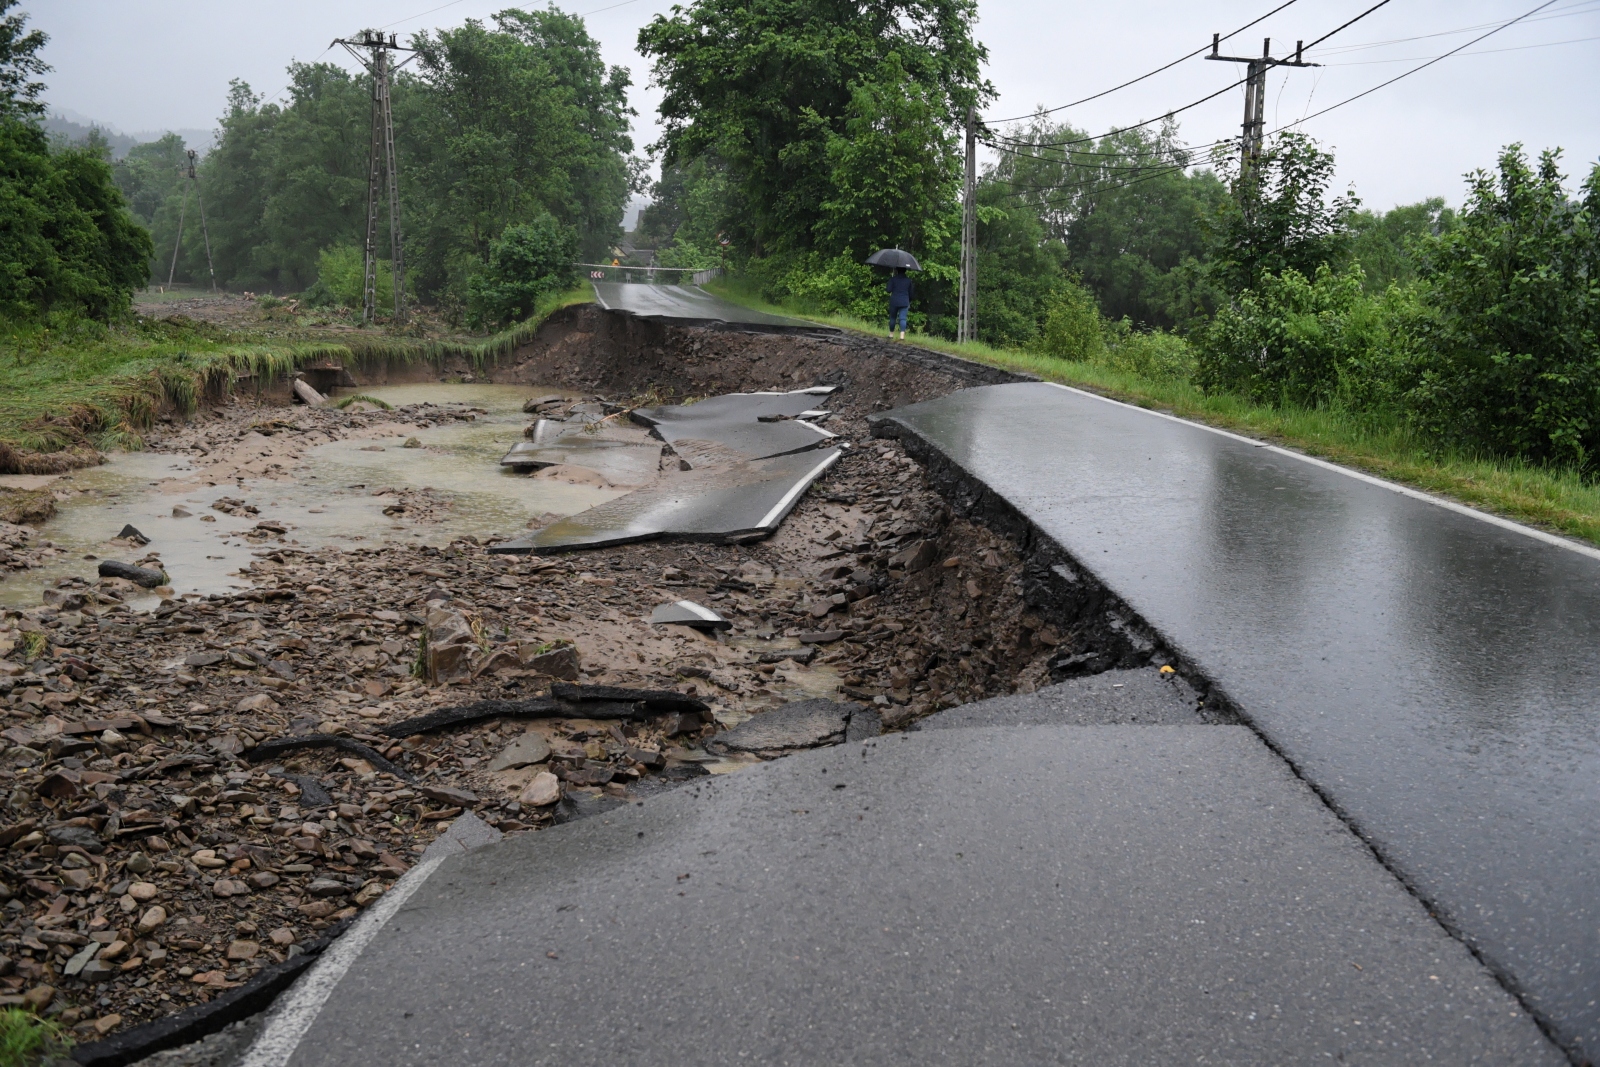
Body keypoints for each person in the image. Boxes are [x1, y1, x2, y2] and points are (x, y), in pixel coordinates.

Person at [886, 267, 914, 340]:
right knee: (903, 319)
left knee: (893, 318)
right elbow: (911, 293)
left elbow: (888, 290)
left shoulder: (893, 279)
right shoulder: (908, 280)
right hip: (904, 301)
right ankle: (902, 336)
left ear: (897, 271)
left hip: (894, 301)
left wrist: (890, 282)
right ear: (905, 271)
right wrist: (909, 301)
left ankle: (891, 334)